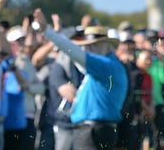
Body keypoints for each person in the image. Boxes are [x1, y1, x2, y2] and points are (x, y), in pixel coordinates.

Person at [33, 10, 128, 150]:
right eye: (87, 44)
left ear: (108, 46)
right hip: (94, 130)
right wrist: (58, 37)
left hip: (93, 131)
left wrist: (48, 32)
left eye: (94, 44)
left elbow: (76, 54)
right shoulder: (106, 66)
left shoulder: (105, 65)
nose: (88, 48)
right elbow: (75, 56)